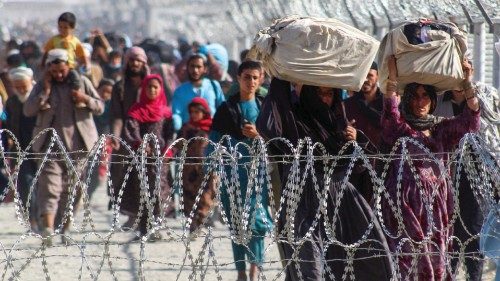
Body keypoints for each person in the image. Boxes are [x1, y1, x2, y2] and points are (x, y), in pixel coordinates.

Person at [256, 77, 394, 281]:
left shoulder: (340, 125)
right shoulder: (294, 121)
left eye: (329, 93)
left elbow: (361, 166)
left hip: (341, 202)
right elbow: (269, 124)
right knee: (309, 269)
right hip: (304, 200)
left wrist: (356, 140)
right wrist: (280, 78)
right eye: (318, 93)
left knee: (364, 261)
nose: (324, 99)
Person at [381, 56, 480, 280]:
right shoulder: (402, 130)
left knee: (435, 262)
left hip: (437, 204)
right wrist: (393, 79)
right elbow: (389, 117)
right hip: (406, 204)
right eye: (415, 96)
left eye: (426, 96)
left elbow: (471, 121)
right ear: (407, 99)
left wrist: (466, 82)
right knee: (409, 262)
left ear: (433, 100)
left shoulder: (440, 130)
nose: (420, 102)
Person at [23, 49, 104, 246]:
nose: (59, 75)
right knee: (50, 188)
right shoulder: (42, 85)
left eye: (62, 70)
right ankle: (48, 230)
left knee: (73, 190)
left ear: (69, 66)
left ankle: (65, 229)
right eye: (55, 71)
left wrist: (84, 99)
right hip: (49, 146)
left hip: (78, 147)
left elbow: (100, 106)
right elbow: (28, 110)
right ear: (49, 69)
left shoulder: (82, 82)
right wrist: (46, 93)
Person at [434, 63, 500, 280]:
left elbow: (491, 139)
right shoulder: (437, 102)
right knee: (448, 240)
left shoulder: (483, 99)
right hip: (444, 180)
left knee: (473, 239)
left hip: (474, 181)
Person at [209, 60, 273, 281]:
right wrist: (213, 171)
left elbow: (276, 139)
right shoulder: (226, 110)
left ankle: (255, 270)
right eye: (247, 77)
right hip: (232, 174)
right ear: (239, 78)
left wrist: (258, 135)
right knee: (237, 224)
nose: (251, 82)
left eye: (256, 77)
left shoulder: (266, 107)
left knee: (257, 222)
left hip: (258, 173)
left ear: (262, 79)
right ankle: (241, 272)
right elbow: (213, 143)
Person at [122, 74, 173, 240]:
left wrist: (167, 150)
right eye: (149, 87)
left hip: (160, 160)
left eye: (155, 87)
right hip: (141, 159)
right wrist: (140, 144)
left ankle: (157, 226)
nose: (152, 90)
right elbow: (131, 130)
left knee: (159, 191)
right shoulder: (136, 111)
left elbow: (170, 133)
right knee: (143, 192)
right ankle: (143, 229)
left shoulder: (165, 112)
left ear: (160, 90)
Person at [108, 46, 149, 223]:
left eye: (139, 60)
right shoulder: (120, 87)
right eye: (132, 60)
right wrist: (116, 137)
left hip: (148, 134)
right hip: (126, 136)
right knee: (125, 175)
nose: (135, 63)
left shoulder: (151, 84)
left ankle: (146, 215)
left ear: (144, 63)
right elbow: (117, 115)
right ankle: (132, 214)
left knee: (146, 174)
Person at [4, 66, 38, 231]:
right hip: (20, 149)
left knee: (42, 184)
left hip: (41, 148)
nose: (21, 89)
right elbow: (6, 124)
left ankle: (42, 217)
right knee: (25, 184)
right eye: (17, 87)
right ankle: (31, 217)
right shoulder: (12, 102)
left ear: (31, 82)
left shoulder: (39, 98)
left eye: (23, 86)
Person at [173, 97, 214, 233]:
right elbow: (177, 145)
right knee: (189, 196)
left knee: (206, 196)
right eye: (192, 112)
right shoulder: (186, 128)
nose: (194, 114)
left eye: (197, 111)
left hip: (206, 168)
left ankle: (201, 219)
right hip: (189, 168)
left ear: (204, 112)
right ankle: (192, 224)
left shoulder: (211, 129)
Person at [41, 13, 89, 108]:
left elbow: (81, 54)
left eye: (65, 27)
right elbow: (46, 52)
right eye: (60, 27)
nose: (62, 30)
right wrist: (43, 63)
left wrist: (86, 64)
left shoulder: (75, 41)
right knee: (46, 81)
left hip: (70, 67)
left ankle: (78, 100)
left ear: (72, 28)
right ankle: (45, 100)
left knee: (77, 81)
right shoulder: (54, 40)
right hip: (53, 67)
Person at [172, 53, 225, 131]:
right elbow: (177, 114)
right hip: (189, 135)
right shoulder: (180, 91)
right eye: (192, 66)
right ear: (187, 68)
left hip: (212, 134)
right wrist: (176, 127)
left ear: (205, 69)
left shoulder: (214, 86)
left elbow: (223, 109)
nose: (195, 70)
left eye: (198, 67)